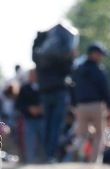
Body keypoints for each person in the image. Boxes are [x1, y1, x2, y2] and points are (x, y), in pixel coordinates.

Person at [32, 21, 79, 161]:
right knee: (56, 125)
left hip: (45, 91)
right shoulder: (63, 53)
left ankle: (46, 154)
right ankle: (50, 155)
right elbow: (70, 70)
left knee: (47, 124)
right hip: (59, 91)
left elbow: (34, 58)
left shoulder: (42, 53)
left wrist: (38, 39)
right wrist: (71, 57)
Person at [71, 42, 110, 163]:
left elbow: (71, 87)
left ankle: (76, 151)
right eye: (99, 54)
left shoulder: (78, 69)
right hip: (96, 105)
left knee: (81, 134)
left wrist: (74, 104)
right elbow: (105, 89)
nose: (101, 57)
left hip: (80, 105)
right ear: (93, 54)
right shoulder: (98, 70)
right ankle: (93, 162)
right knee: (99, 135)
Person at [16, 68, 45, 163]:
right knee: (29, 141)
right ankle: (30, 161)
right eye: (31, 74)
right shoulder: (24, 88)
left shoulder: (44, 87)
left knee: (43, 140)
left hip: (42, 119)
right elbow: (19, 104)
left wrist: (42, 108)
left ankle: (43, 160)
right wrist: (29, 109)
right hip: (29, 119)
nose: (33, 76)